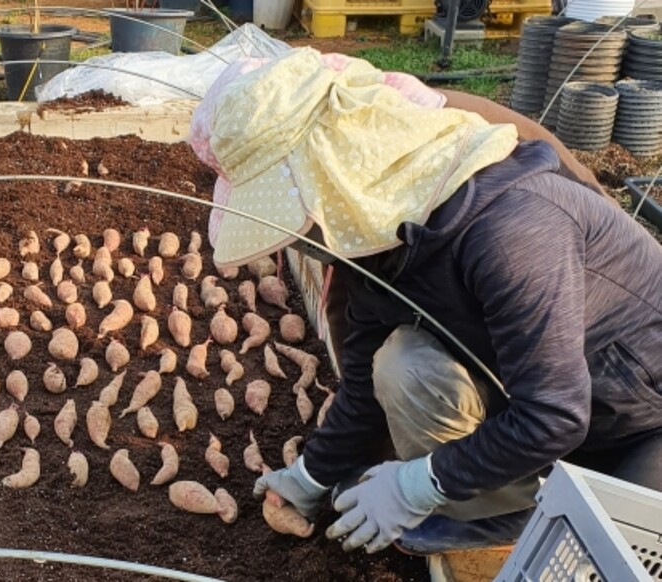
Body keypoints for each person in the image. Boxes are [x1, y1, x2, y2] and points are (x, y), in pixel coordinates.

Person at [189, 47, 662, 555]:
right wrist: (310, 476)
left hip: (638, 420)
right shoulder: (380, 243)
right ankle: (497, 503)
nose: (297, 241)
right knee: (401, 364)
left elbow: (555, 415)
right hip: (547, 397)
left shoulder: (513, 231)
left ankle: (521, 513)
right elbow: (365, 382)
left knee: (615, 544)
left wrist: (419, 484)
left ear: (335, 176)